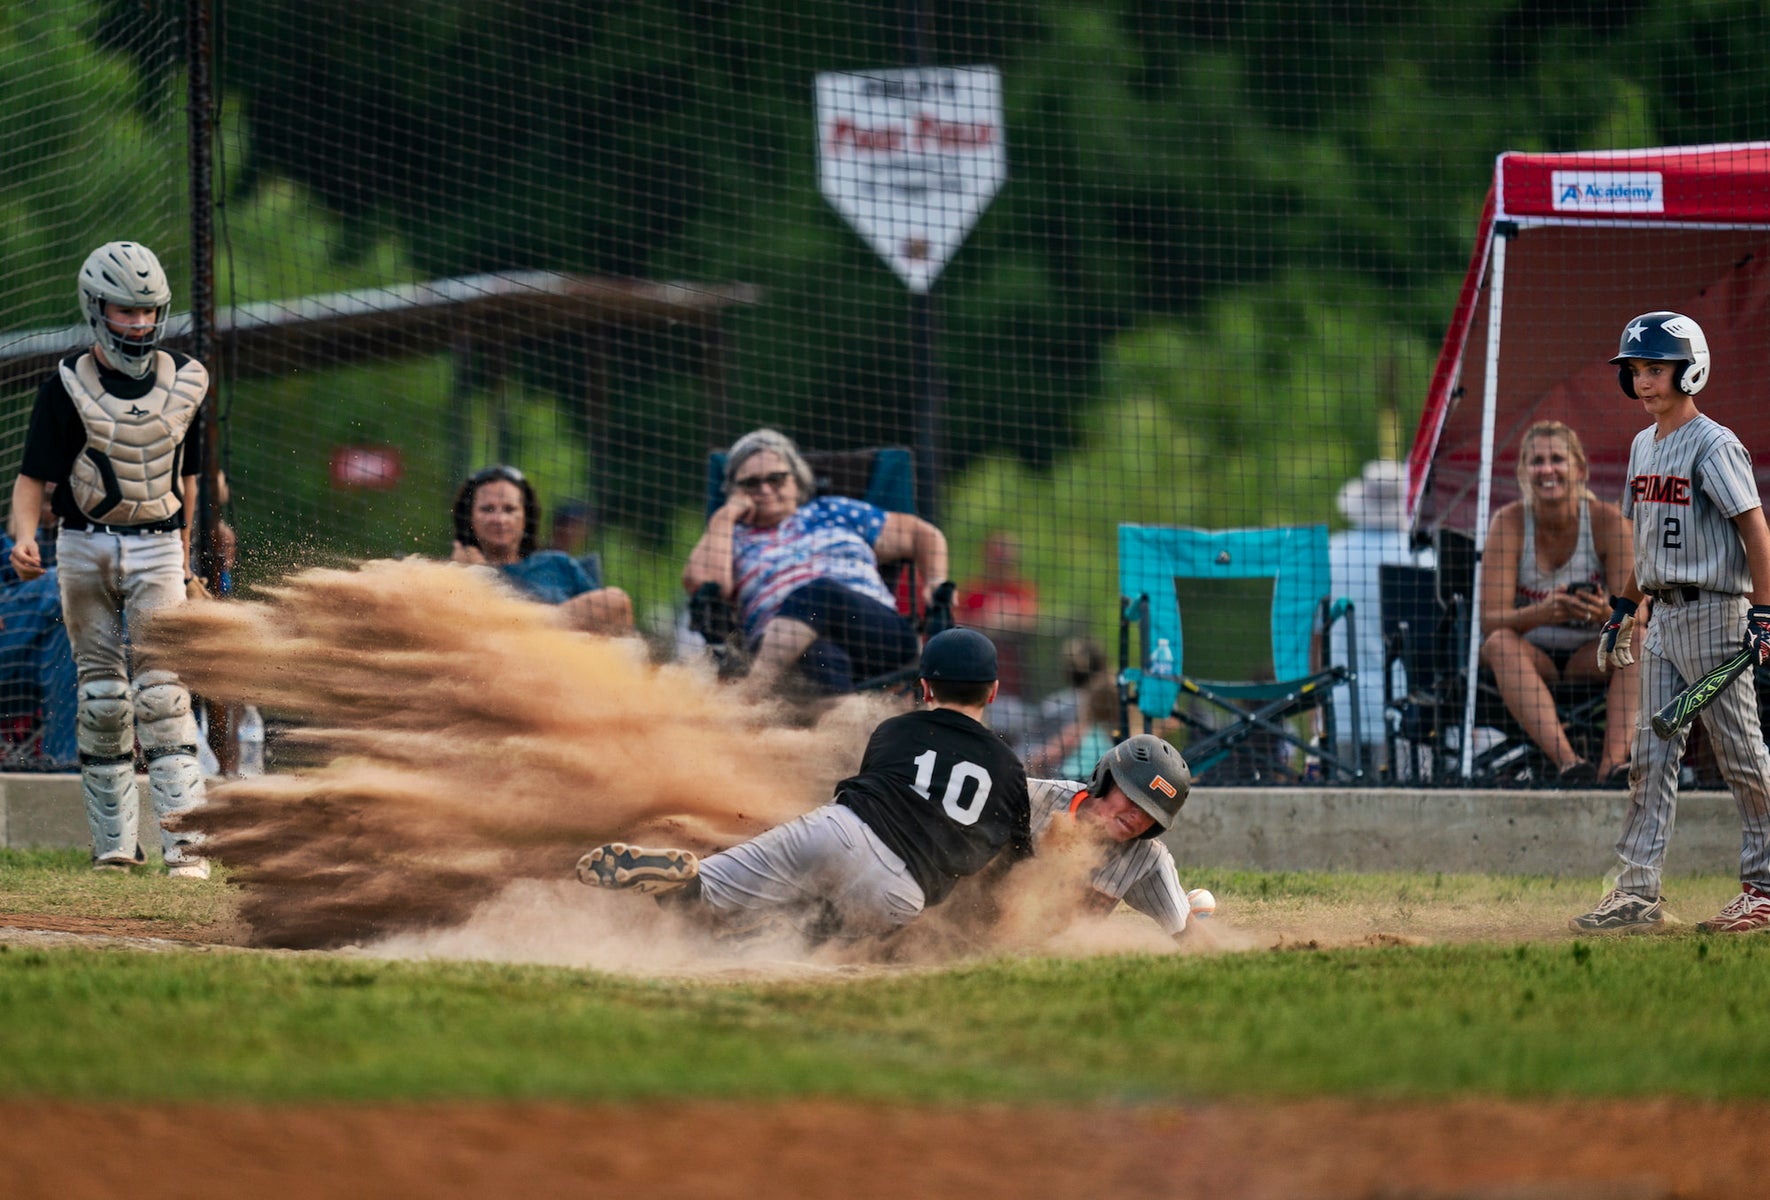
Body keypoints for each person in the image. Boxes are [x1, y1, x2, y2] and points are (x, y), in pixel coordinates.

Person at [576, 627, 1032, 943]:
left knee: (709, 892)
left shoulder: (897, 730)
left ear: (926, 688)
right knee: (825, 933)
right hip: (901, 893)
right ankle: (780, 933)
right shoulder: (1009, 769)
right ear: (992, 692)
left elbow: (867, 789)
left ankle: (690, 884)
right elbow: (1014, 863)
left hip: (838, 833)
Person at [8, 241, 211, 876]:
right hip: (81, 543)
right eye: (125, 311)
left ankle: (188, 848)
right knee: (102, 698)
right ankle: (115, 848)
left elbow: (191, 478)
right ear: (97, 309)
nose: (139, 325)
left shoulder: (187, 382)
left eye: (148, 312)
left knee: (164, 697)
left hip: (156, 546)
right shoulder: (66, 385)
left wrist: (186, 557)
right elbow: (31, 478)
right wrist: (22, 536)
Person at [1572, 311, 1770, 934]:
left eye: (1655, 369)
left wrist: (1763, 613)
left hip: (1716, 612)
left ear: (1691, 371)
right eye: (1635, 371)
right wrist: (1625, 610)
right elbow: (1647, 545)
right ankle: (1638, 892)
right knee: (1649, 756)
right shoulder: (1641, 445)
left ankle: (1765, 890)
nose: (1643, 381)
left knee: (1742, 757)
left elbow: (1757, 533)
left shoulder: (1714, 444)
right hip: (1663, 617)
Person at [682, 428, 950, 695]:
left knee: (817, 593)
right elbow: (706, 586)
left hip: (874, 635)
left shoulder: (834, 511)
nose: (764, 489)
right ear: (734, 491)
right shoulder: (731, 537)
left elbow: (922, 535)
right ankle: (846, 729)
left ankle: (751, 693)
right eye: (750, 483)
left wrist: (936, 581)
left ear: (796, 479)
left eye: (776, 479)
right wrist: (723, 517)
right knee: (820, 660)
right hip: (786, 654)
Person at [1478, 422, 1637, 786]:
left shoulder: (1607, 522)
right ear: (1523, 472)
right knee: (1498, 642)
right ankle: (1569, 763)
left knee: (1640, 639)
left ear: (1579, 470)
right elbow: (1489, 620)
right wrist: (1544, 612)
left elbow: (1637, 612)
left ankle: (1612, 765)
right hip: (1533, 656)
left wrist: (1603, 614)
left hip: (1591, 653)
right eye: (1536, 462)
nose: (1547, 470)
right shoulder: (1509, 522)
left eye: (1557, 460)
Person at [1016, 734, 1198, 943]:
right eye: (1133, 799)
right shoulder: (1031, 796)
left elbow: (1189, 935)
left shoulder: (1148, 859)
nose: (1137, 816)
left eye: (1151, 813)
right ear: (1106, 778)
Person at [1327, 459, 1434, 774]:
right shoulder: (1423, 557)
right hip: (1407, 709)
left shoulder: (1332, 554)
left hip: (1342, 707)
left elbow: (1314, 636)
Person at [449, 465, 633, 634]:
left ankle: (533, 631)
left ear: (526, 516)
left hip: (566, 658)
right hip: (498, 660)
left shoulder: (558, 564)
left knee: (615, 599)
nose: (500, 520)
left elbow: (614, 614)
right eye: (487, 509)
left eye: (509, 509)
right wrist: (476, 574)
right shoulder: (456, 576)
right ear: (468, 518)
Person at [0, 484, 76, 767]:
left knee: (72, 642)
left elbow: (19, 581)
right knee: (64, 581)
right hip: (8, 644)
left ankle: (66, 765)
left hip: (26, 656)